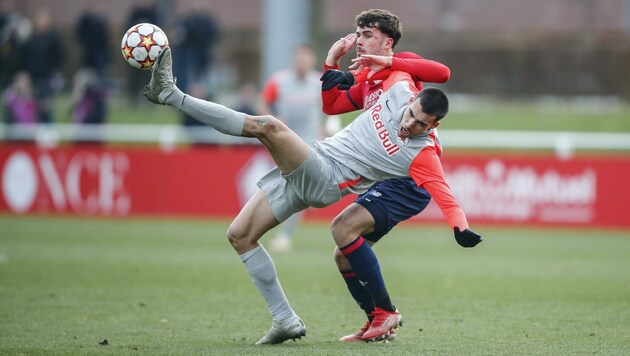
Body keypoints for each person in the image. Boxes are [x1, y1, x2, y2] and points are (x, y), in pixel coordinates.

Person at [142, 46, 482, 345]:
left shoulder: (422, 153)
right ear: (409, 101)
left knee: (268, 127)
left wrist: (460, 228)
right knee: (240, 236)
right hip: (313, 158)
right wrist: (339, 60)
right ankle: (285, 320)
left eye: (421, 124)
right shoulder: (398, 89)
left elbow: (444, 194)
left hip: (324, 176)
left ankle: (170, 94)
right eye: (411, 115)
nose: (410, 125)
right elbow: (423, 71)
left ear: (432, 128)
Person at [319, 9, 457, 342]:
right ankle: (378, 322)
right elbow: (332, 106)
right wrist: (330, 64)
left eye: (366, 34)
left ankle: (385, 313)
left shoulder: (402, 64)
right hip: (389, 177)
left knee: (342, 228)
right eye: (357, 33)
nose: (358, 40)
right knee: (344, 253)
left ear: (387, 41)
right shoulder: (366, 78)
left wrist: (391, 64)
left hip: (408, 178)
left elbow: (443, 72)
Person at [259, 42, 325, 252]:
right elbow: (263, 102)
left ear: (312, 60)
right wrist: (271, 119)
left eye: (306, 57)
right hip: (283, 139)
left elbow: (329, 109)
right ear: (293, 60)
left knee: (298, 187)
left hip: (309, 140)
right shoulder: (279, 81)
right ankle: (272, 227)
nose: (302, 61)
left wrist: (323, 130)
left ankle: (285, 235)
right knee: (283, 186)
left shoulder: (319, 83)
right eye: (298, 57)